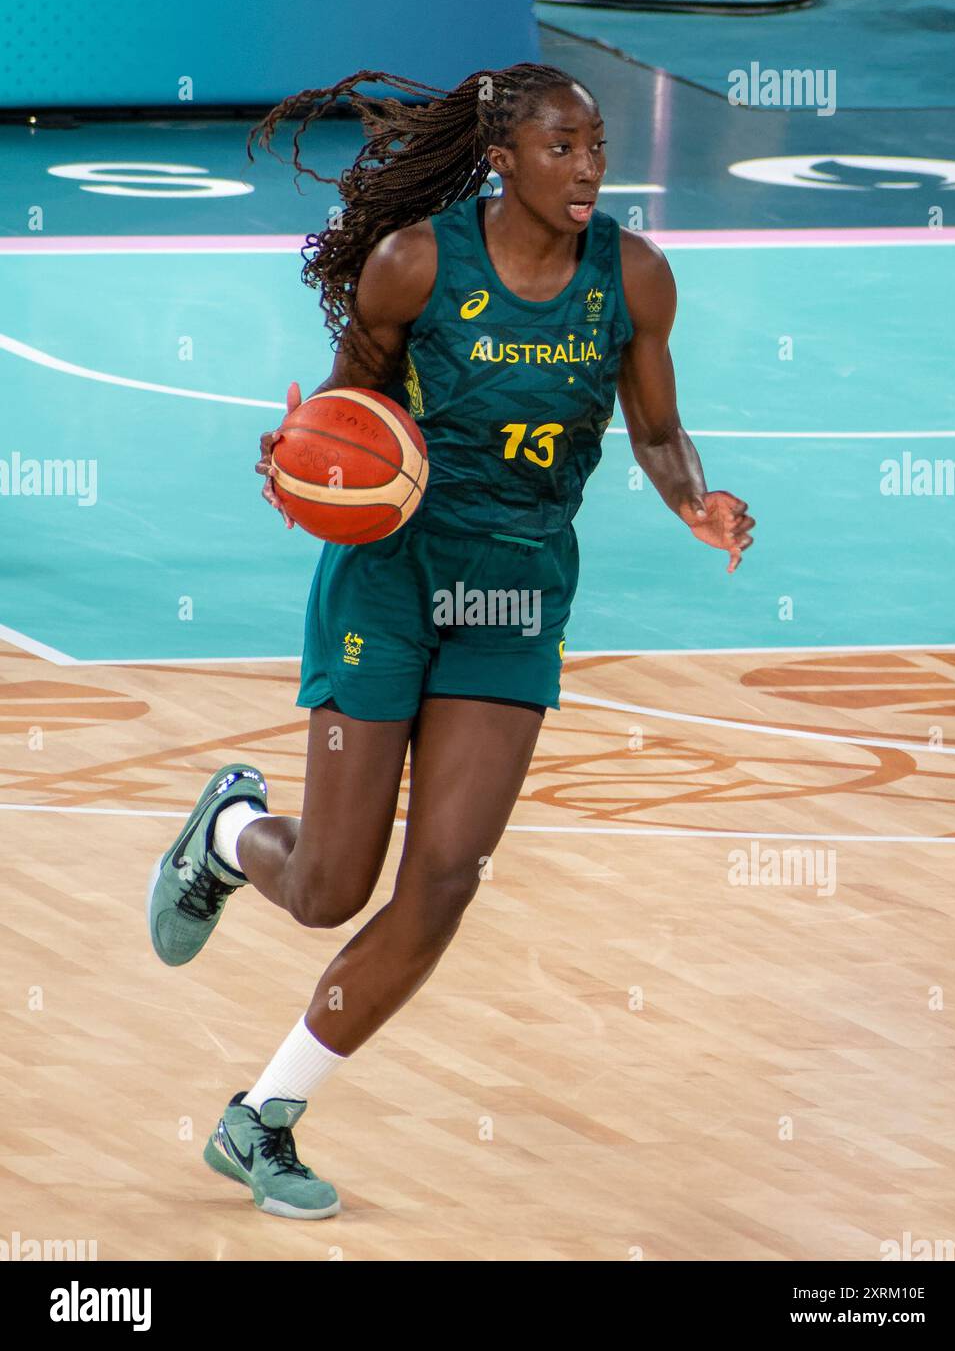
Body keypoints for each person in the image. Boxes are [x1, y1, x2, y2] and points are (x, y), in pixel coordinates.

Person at [146, 63, 755, 1219]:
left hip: (517, 599)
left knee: (443, 883)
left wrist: (696, 499)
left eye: (598, 146)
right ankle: (227, 832)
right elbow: (347, 415)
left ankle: (262, 1117)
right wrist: (302, 458)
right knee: (330, 887)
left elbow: (660, 428)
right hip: (392, 586)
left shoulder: (634, 276)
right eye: (564, 148)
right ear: (506, 158)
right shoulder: (416, 264)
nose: (590, 168)